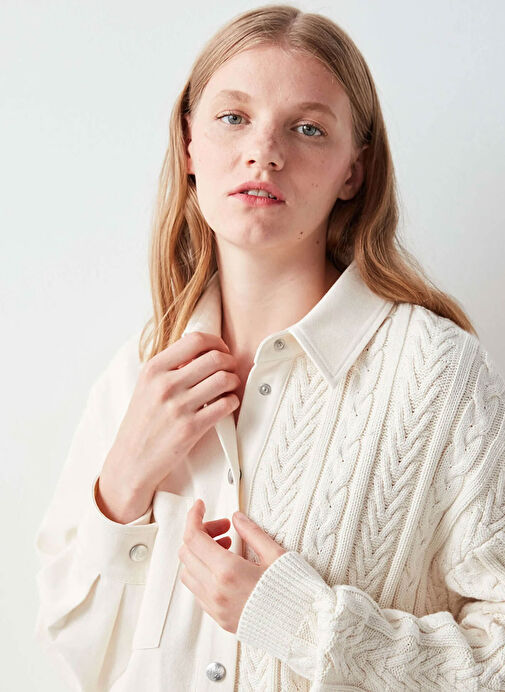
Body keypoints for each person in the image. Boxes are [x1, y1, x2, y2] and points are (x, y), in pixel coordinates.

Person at [34, 4, 505, 691]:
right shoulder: (136, 373)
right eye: (234, 117)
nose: (265, 152)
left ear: (354, 171)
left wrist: (304, 623)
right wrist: (123, 485)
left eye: (307, 128)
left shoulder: (440, 374)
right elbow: (72, 650)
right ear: (188, 145)